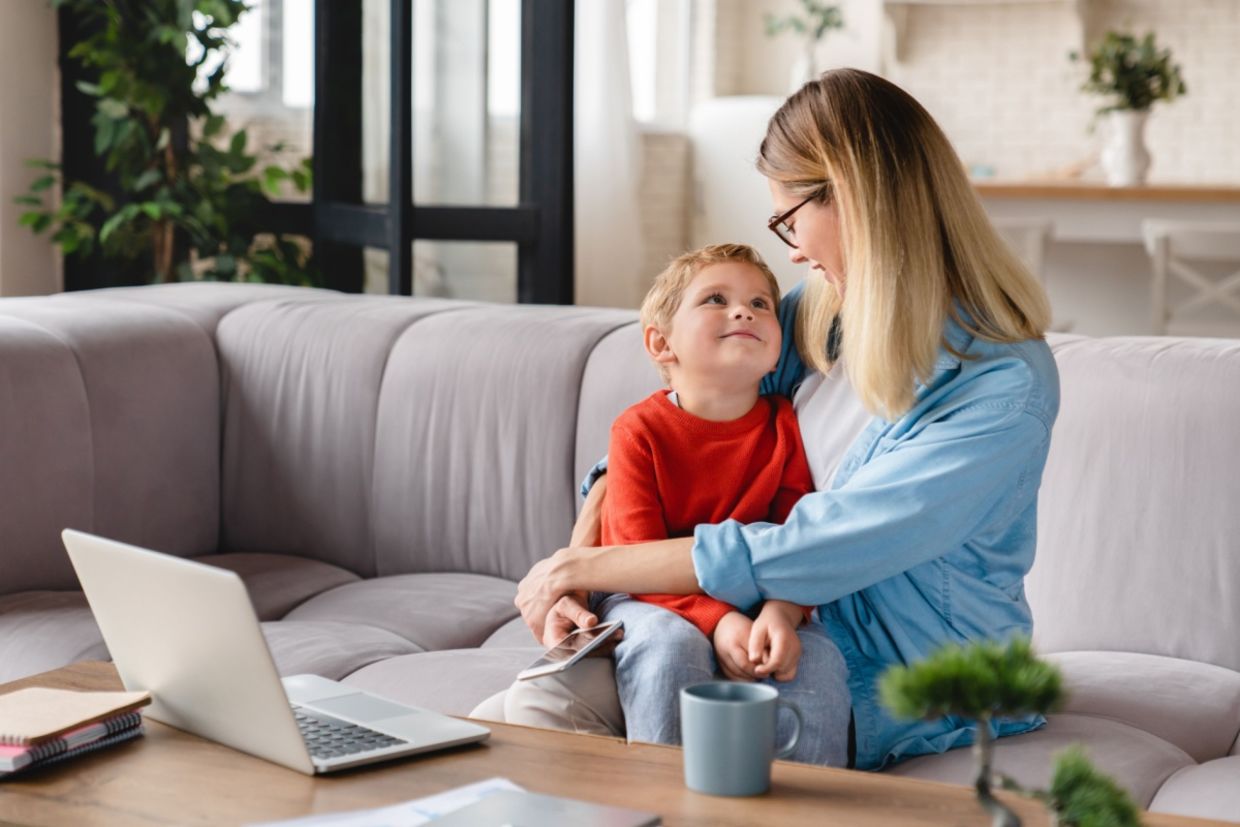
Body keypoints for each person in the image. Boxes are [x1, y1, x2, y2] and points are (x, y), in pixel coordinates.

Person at [501, 67, 1059, 772]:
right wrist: (576, 572)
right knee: (524, 720)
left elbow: (821, 543)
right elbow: (678, 427)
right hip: (757, 625)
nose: (791, 250)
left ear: (854, 196)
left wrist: (590, 564)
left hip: (890, 675)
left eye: (788, 220)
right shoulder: (821, 313)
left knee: (546, 730)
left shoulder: (1000, 387)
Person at [583, 242, 849, 766]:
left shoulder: (787, 427)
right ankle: (666, 801)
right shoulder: (637, 432)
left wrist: (783, 612)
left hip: (758, 600)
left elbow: (800, 539)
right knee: (668, 648)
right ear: (661, 343)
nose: (743, 310)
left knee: (817, 660)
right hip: (646, 600)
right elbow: (636, 560)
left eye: (761, 303)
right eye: (715, 300)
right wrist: (719, 622)